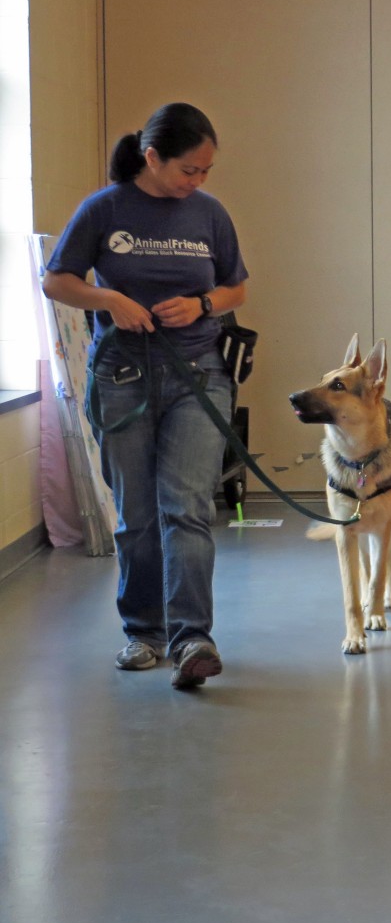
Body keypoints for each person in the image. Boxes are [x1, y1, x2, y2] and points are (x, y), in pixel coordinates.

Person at [43, 102, 248, 689]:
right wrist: (111, 301)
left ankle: (192, 639)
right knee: (135, 514)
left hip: (197, 374)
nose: (199, 182)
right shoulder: (104, 209)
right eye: (189, 170)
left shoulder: (209, 214)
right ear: (152, 157)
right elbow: (57, 279)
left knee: (185, 506)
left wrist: (203, 304)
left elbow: (237, 287)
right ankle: (143, 632)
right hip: (123, 378)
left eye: (207, 171)